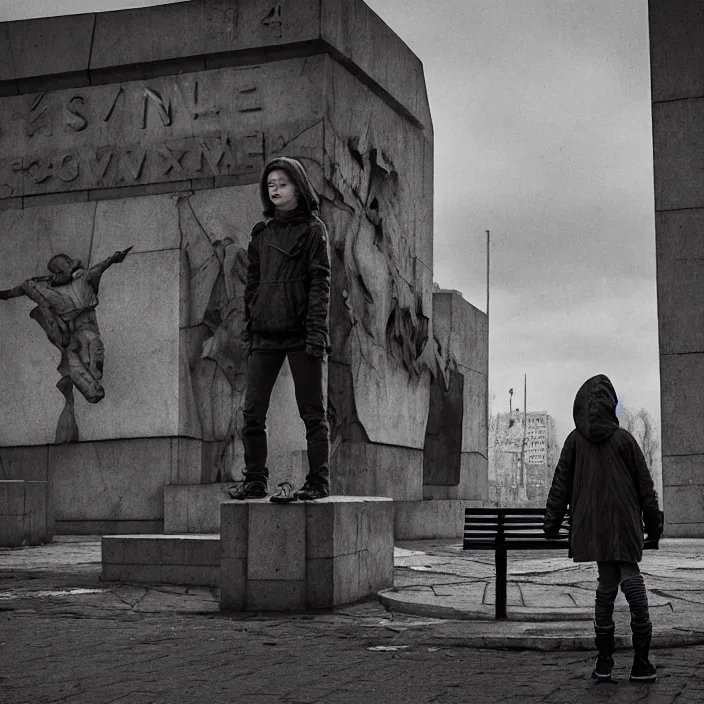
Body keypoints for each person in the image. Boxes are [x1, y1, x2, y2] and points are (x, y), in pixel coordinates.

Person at [544, 374, 663, 683]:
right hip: (623, 522)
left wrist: (551, 523)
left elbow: (560, 485)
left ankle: (605, 660)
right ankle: (641, 660)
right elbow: (645, 487)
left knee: (606, 584)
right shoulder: (624, 440)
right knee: (629, 574)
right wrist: (654, 524)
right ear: (611, 405)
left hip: (592, 525)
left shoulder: (574, 440)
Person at [228, 157, 331, 502]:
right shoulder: (261, 234)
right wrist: (250, 328)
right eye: (270, 184)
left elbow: (321, 284)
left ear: (298, 187)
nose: (275, 189)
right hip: (264, 336)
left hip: (302, 335)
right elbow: (252, 287)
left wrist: (317, 334)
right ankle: (255, 480)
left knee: (312, 414)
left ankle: (318, 482)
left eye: (282, 183)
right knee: (252, 413)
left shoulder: (314, 231)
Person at [0, 248, 132, 405]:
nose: (61, 272)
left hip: (84, 322)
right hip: (72, 326)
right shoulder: (49, 288)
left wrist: (113, 259)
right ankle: (91, 388)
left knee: (87, 347)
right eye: (60, 270)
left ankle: (93, 377)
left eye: (65, 267)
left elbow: (100, 268)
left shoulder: (81, 279)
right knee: (79, 353)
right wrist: (7, 294)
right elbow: (27, 287)